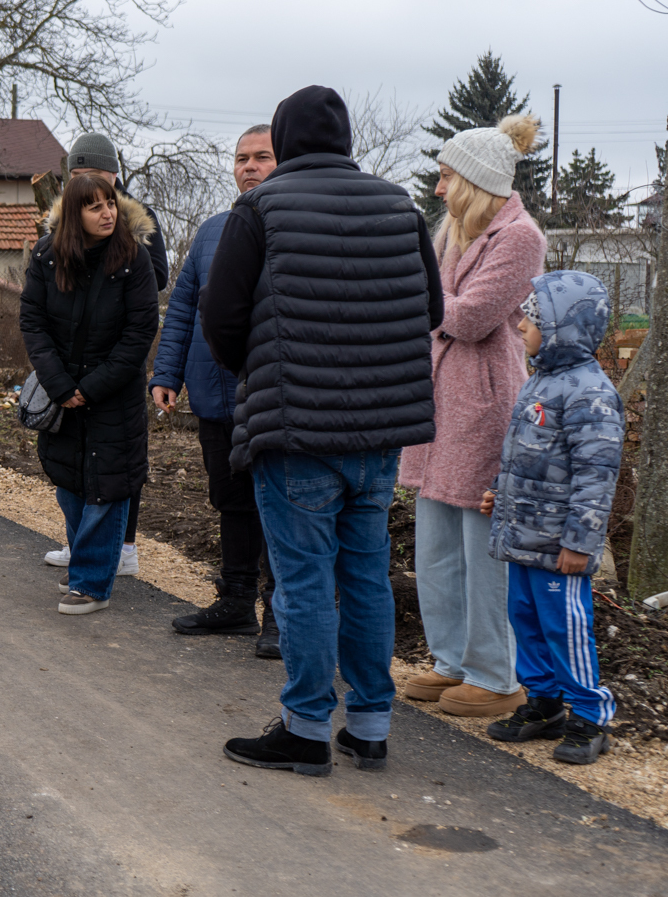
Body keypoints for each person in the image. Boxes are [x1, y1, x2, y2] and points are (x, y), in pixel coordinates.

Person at [203, 86, 443, 776]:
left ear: (284, 140)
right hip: (379, 433)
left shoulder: (260, 209)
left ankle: (305, 727)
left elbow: (221, 316)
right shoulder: (401, 207)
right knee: (366, 575)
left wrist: (258, 366)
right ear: (344, 140)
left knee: (304, 580)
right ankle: (369, 726)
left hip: (295, 429)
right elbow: (431, 308)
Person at [397, 116, 546, 718]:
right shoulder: (454, 232)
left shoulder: (521, 237)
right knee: (435, 546)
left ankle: (495, 674)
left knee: (483, 546)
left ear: (475, 180)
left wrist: (426, 300)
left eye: (446, 176)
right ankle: (450, 662)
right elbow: (440, 307)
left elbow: (470, 317)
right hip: (438, 401)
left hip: (484, 406)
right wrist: (434, 302)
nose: (437, 188)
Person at [479, 271, 621, 765]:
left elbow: (596, 476)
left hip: (561, 545)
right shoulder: (540, 381)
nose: (520, 325)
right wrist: (498, 495)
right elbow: (525, 456)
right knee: (526, 618)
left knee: (565, 626)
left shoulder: (590, 393)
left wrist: (580, 542)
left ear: (564, 328)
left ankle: (590, 715)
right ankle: (544, 703)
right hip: (524, 536)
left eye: (533, 319)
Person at [151, 126, 279, 655]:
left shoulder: (290, 224)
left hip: (270, 395)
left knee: (276, 505)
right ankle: (237, 601)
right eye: (241, 158)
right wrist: (166, 373)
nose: (249, 167)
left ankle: (280, 614)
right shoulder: (210, 232)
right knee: (230, 500)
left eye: (262, 157)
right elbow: (182, 307)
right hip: (213, 391)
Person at [19, 174, 159, 615]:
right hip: (62, 393)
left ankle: (92, 584)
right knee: (71, 484)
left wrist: (90, 388)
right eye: (94, 206)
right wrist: (61, 386)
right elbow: (33, 321)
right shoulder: (47, 255)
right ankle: (86, 562)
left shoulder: (134, 259)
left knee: (107, 488)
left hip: (113, 397)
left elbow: (139, 334)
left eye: (110, 203)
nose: (107, 213)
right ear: (74, 214)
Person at [40, 131, 169, 578]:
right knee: (75, 455)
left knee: (118, 459)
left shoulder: (135, 218)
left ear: (115, 175)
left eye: (97, 173)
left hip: (115, 358)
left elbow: (157, 278)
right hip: (70, 352)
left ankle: (124, 545)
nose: (88, 181)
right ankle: (84, 544)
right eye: (78, 174)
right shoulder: (61, 217)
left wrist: (116, 271)